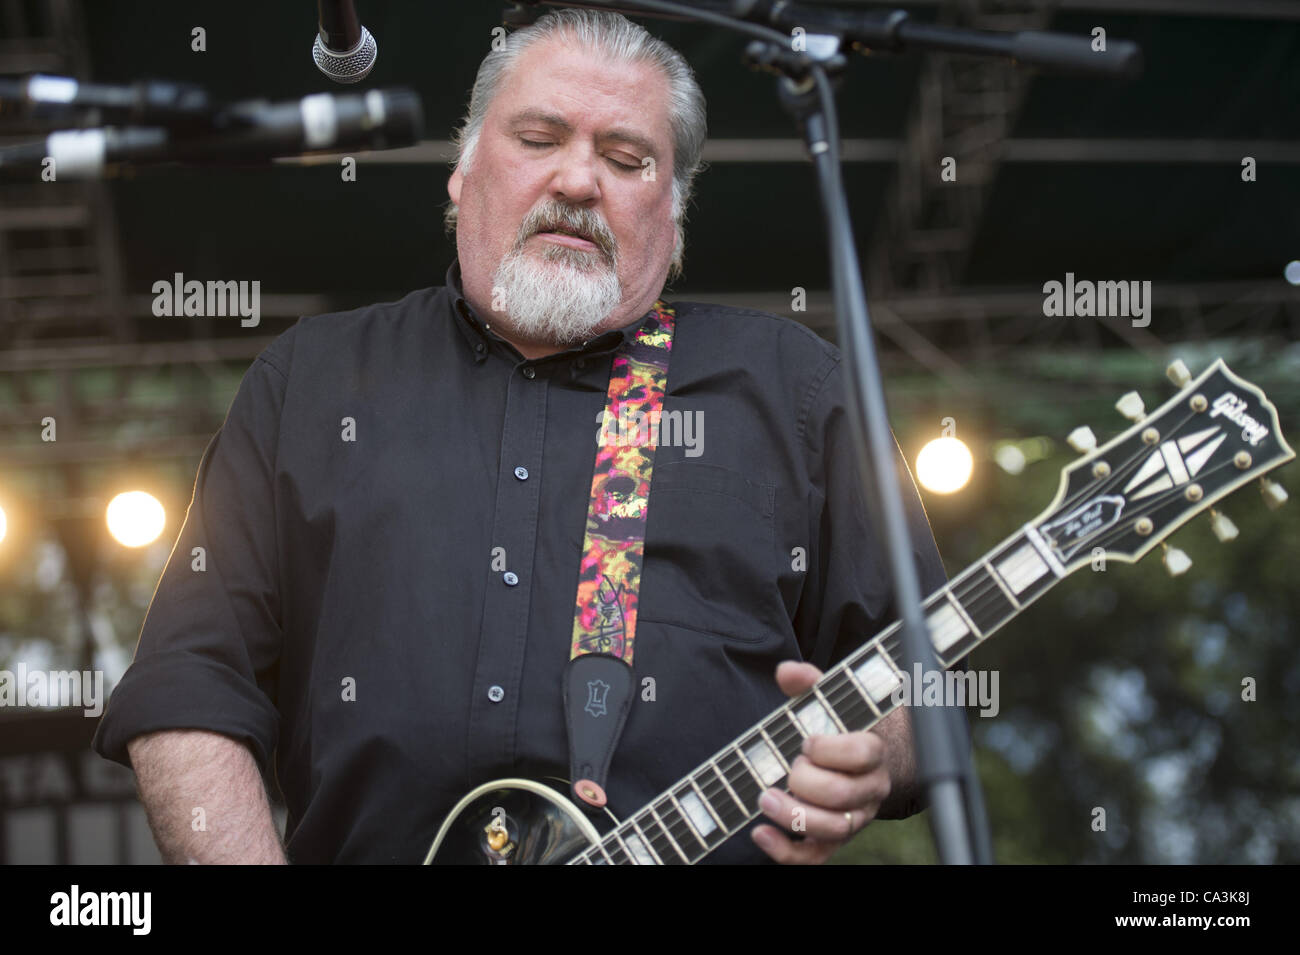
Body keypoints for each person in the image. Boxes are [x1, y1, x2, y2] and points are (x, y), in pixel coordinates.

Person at [92, 8, 950, 865]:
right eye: (539, 139)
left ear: (676, 214)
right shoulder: (311, 381)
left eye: (625, 159)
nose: (579, 181)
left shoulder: (793, 387)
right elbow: (189, 687)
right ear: (464, 174)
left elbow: (923, 685)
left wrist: (877, 760)